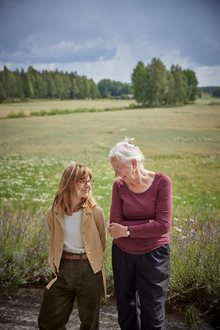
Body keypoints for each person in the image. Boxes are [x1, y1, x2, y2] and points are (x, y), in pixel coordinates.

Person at [108, 138, 172, 330]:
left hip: (154, 255)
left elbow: (163, 225)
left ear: (134, 163)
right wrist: (145, 227)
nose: (116, 174)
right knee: (125, 310)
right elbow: (114, 226)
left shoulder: (162, 182)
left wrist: (128, 230)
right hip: (123, 254)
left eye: (119, 168)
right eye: (114, 170)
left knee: (152, 312)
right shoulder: (118, 186)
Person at [38, 163, 106, 330]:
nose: (87, 185)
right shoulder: (52, 212)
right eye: (82, 181)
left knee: (89, 325)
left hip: (90, 270)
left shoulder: (96, 212)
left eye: (89, 181)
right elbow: (54, 240)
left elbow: (101, 244)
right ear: (69, 182)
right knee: (48, 321)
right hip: (63, 269)